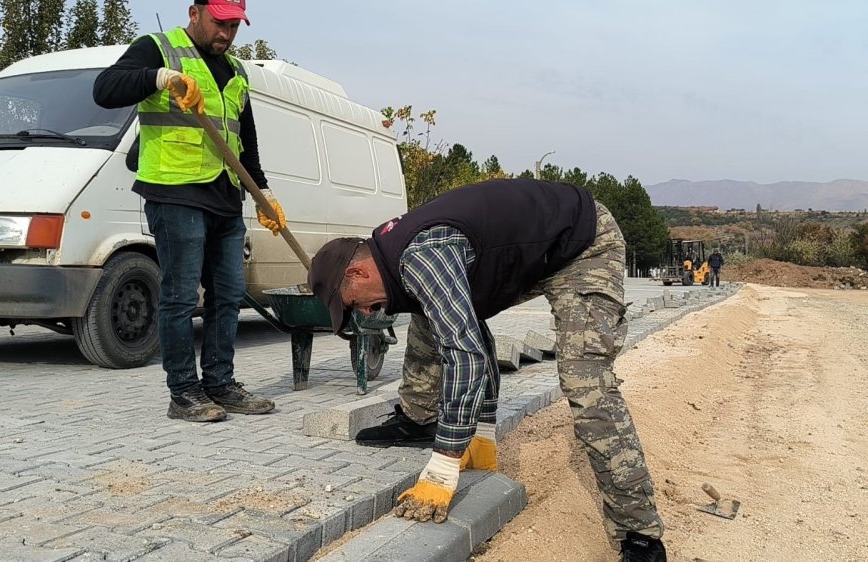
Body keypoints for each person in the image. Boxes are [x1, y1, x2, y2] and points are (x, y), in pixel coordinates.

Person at [308, 178, 667, 561]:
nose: (363, 313)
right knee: (428, 316)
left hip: (582, 244)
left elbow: (466, 353)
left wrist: (445, 462)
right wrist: (481, 429)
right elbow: (471, 333)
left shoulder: (423, 255)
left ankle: (639, 532)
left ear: (359, 274)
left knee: (586, 381)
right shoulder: (393, 255)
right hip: (531, 252)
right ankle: (420, 419)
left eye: (353, 304)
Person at [94, 0, 282, 422]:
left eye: (235, 25)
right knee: (180, 297)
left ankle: (219, 383)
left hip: (225, 197)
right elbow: (104, 89)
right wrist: (160, 78)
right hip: (175, 191)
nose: (227, 34)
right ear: (194, 13)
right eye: (220, 23)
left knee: (229, 296)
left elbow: (243, 138)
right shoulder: (158, 48)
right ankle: (183, 392)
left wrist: (263, 191)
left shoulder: (235, 71)